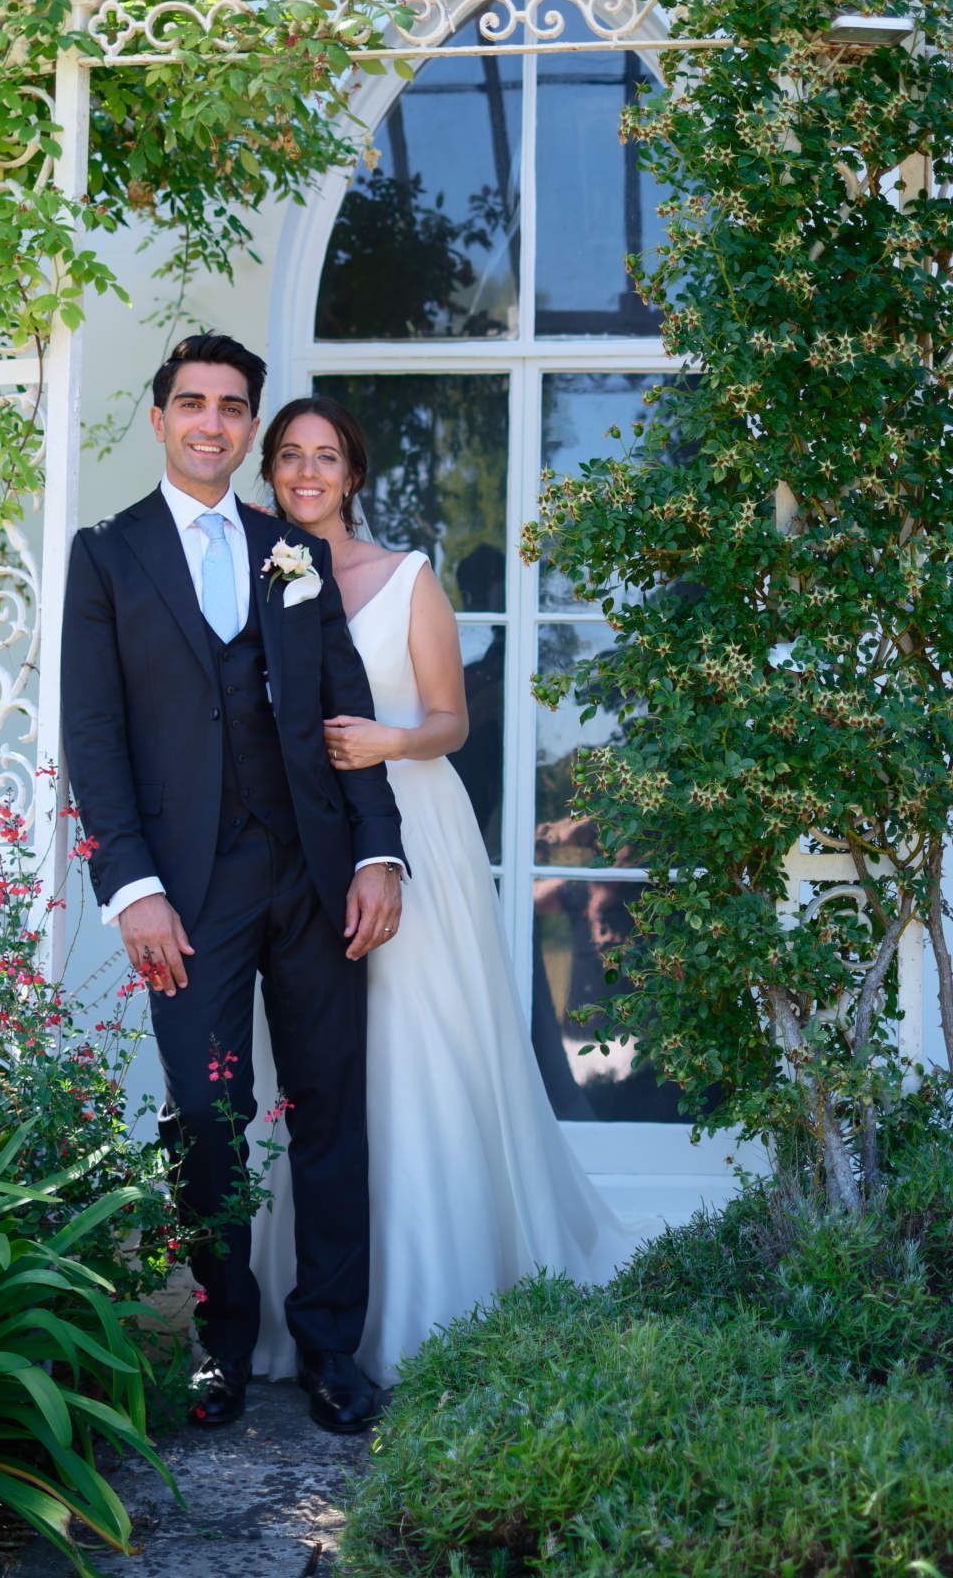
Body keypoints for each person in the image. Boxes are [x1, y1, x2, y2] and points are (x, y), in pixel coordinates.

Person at [250, 395, 639, 1384]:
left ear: (354, 473)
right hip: (299, 847)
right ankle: (323, 1306)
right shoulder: (250, 578)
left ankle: (435, 1299)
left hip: (410, 824)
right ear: (271, 471)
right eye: (290, 456)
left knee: (414, 1049)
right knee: (323, 1072)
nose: (307, 473)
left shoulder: (407, 578)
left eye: (325, 457)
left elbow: (451, 722)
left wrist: (387, 739)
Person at [60, 335, 408, 1435]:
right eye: (193, 404)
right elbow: (93, 734)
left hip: (309, 877)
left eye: (232, 408)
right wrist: (132, 888)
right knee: (206, 1117)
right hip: (186, 890)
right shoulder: (106, 556)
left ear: (247, 427)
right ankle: (218, 1344)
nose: (213, 423)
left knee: (327, 1114)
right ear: (160, 417)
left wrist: (377, 855)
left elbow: (343, 710)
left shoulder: (287, 550)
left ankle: (328, 1349)